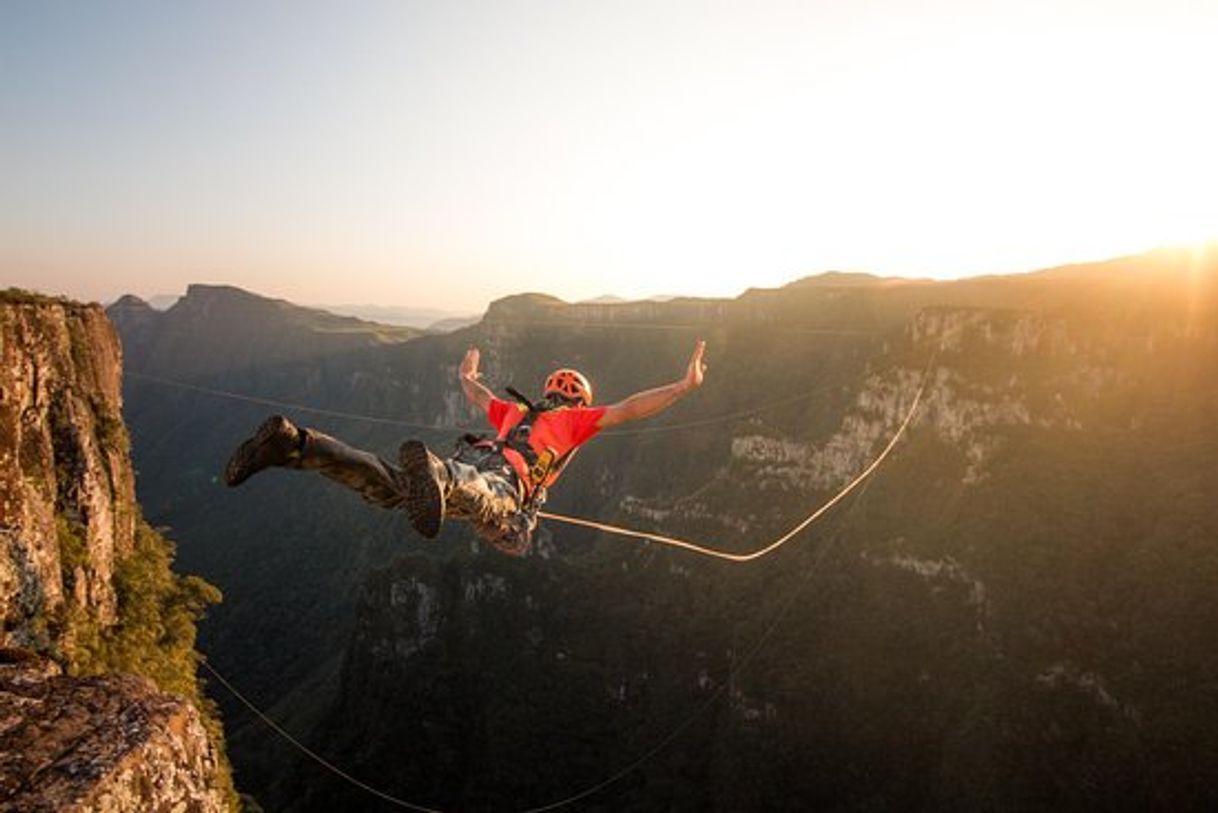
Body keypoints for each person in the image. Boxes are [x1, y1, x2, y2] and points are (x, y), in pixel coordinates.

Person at [224, 341, 707, 556]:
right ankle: (438, 475)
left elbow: (481, 397)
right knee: (486, 500)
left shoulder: (518, 413)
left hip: (473, 459)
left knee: (392, 489)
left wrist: (464, 377)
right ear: (579, 399)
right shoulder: (574, 421)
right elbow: (631, 408)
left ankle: (297, 446)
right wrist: (682, 388)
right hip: (499, 478)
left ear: (550, 391)